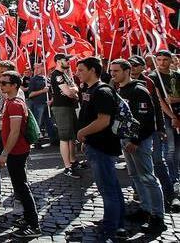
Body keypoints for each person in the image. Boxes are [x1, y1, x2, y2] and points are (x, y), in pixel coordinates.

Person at [109, 59, 166, 233]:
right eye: (111, 71)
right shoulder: (119, 89)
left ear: (127, 71)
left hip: (139, 141)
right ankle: (145, 209)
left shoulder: (139, 90)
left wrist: (136, 140)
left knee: (148, 178)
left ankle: (158, 217)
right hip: (127, 140)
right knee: (135, 175)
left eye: (116, 71)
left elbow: (146, 119)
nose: (112, 74)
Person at [76, 56, 125, 241]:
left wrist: (82, 132)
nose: (77, 73)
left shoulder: (102, 91)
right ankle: (115, 221)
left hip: (103, 146)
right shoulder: (90, 89)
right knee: (110, 185)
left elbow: (103, 120)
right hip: (95, 144)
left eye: (81, 70)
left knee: (108, 188)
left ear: (93, 70)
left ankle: (111, 227)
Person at [129, 54, 179, 211]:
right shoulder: (117, 84)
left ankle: (169, 195)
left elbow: (156, 106)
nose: (133, 68)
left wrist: (161, 128)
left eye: (136, 65)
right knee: (134, 169)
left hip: (152, 128)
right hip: (132, 132)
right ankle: (142, 198)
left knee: (159, 160)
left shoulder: (148, 82)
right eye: (130, 65)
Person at [0, 71, 41, 238]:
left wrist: (4, 153)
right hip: (16, 151)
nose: (1, 85)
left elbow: (14, 132)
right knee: (19, 187)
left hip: (16, 151)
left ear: (14, 85)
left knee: (22, 187)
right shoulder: (11, 101)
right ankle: (28, 218)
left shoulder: (15, 104)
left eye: (4, 83)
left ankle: (34, 225)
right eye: (0, 82)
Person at [0, 60, 25, 210]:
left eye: (3, 74)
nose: (0, 76)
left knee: (16, 169)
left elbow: (13, 114)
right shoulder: (0, 87)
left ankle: (20, 199)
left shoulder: (15, 91)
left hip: (13, 133)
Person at [148, 50, 180, 203]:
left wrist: (175, 99)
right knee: (170, 148)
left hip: (177, 113)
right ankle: (172, 179)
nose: (161, 63)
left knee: (177, 149)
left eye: (165, 60)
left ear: (171, 60)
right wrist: (172, 116)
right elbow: (160, 101)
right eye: (159, 60)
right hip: (165, 117)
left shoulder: (176, 75)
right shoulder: (153, 77)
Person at [50, 53, 81, 178]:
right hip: (61, 107)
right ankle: (67, 167)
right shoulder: (57, 75)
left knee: (71, 136)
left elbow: (76, 88)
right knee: (64, 137)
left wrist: (74, 90)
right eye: (66, 60)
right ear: (58, 61)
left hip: (69, 107)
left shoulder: (65, 75)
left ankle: (73, 162)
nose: (68, 61)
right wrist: (74, 92)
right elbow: (69, 92)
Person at [28, 63, 56, 144]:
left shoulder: (48, 79)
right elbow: (30, 94)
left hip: (48, 104)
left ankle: (53, 140)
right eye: (36, 68)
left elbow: (53, 93)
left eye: (39, 67)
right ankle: (36, 141)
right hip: (38, 104)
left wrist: (51, 101)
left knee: (50, 122)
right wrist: (42, 91)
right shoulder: (33, 80)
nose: (37, 69)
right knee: (38, 123)